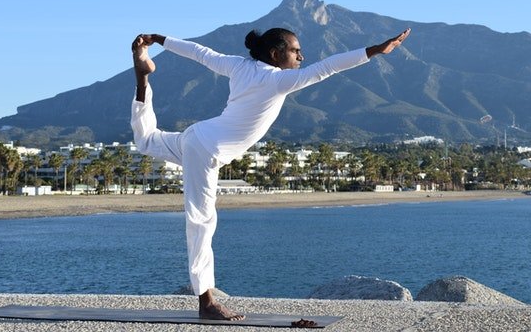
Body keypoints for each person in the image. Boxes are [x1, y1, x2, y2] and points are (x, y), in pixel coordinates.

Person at [130, 27, 410, 320]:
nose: (301, 56)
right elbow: (327, 67)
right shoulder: (278, 80)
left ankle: (142, 77)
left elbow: (202, 54)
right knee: (201, 221)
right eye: (295, 50)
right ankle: (206, 301)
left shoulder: (240, 66)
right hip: (206, 149)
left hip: (196, 137)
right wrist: (375, 50)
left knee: (146, 140)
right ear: (276, 55)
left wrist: (161, 40)